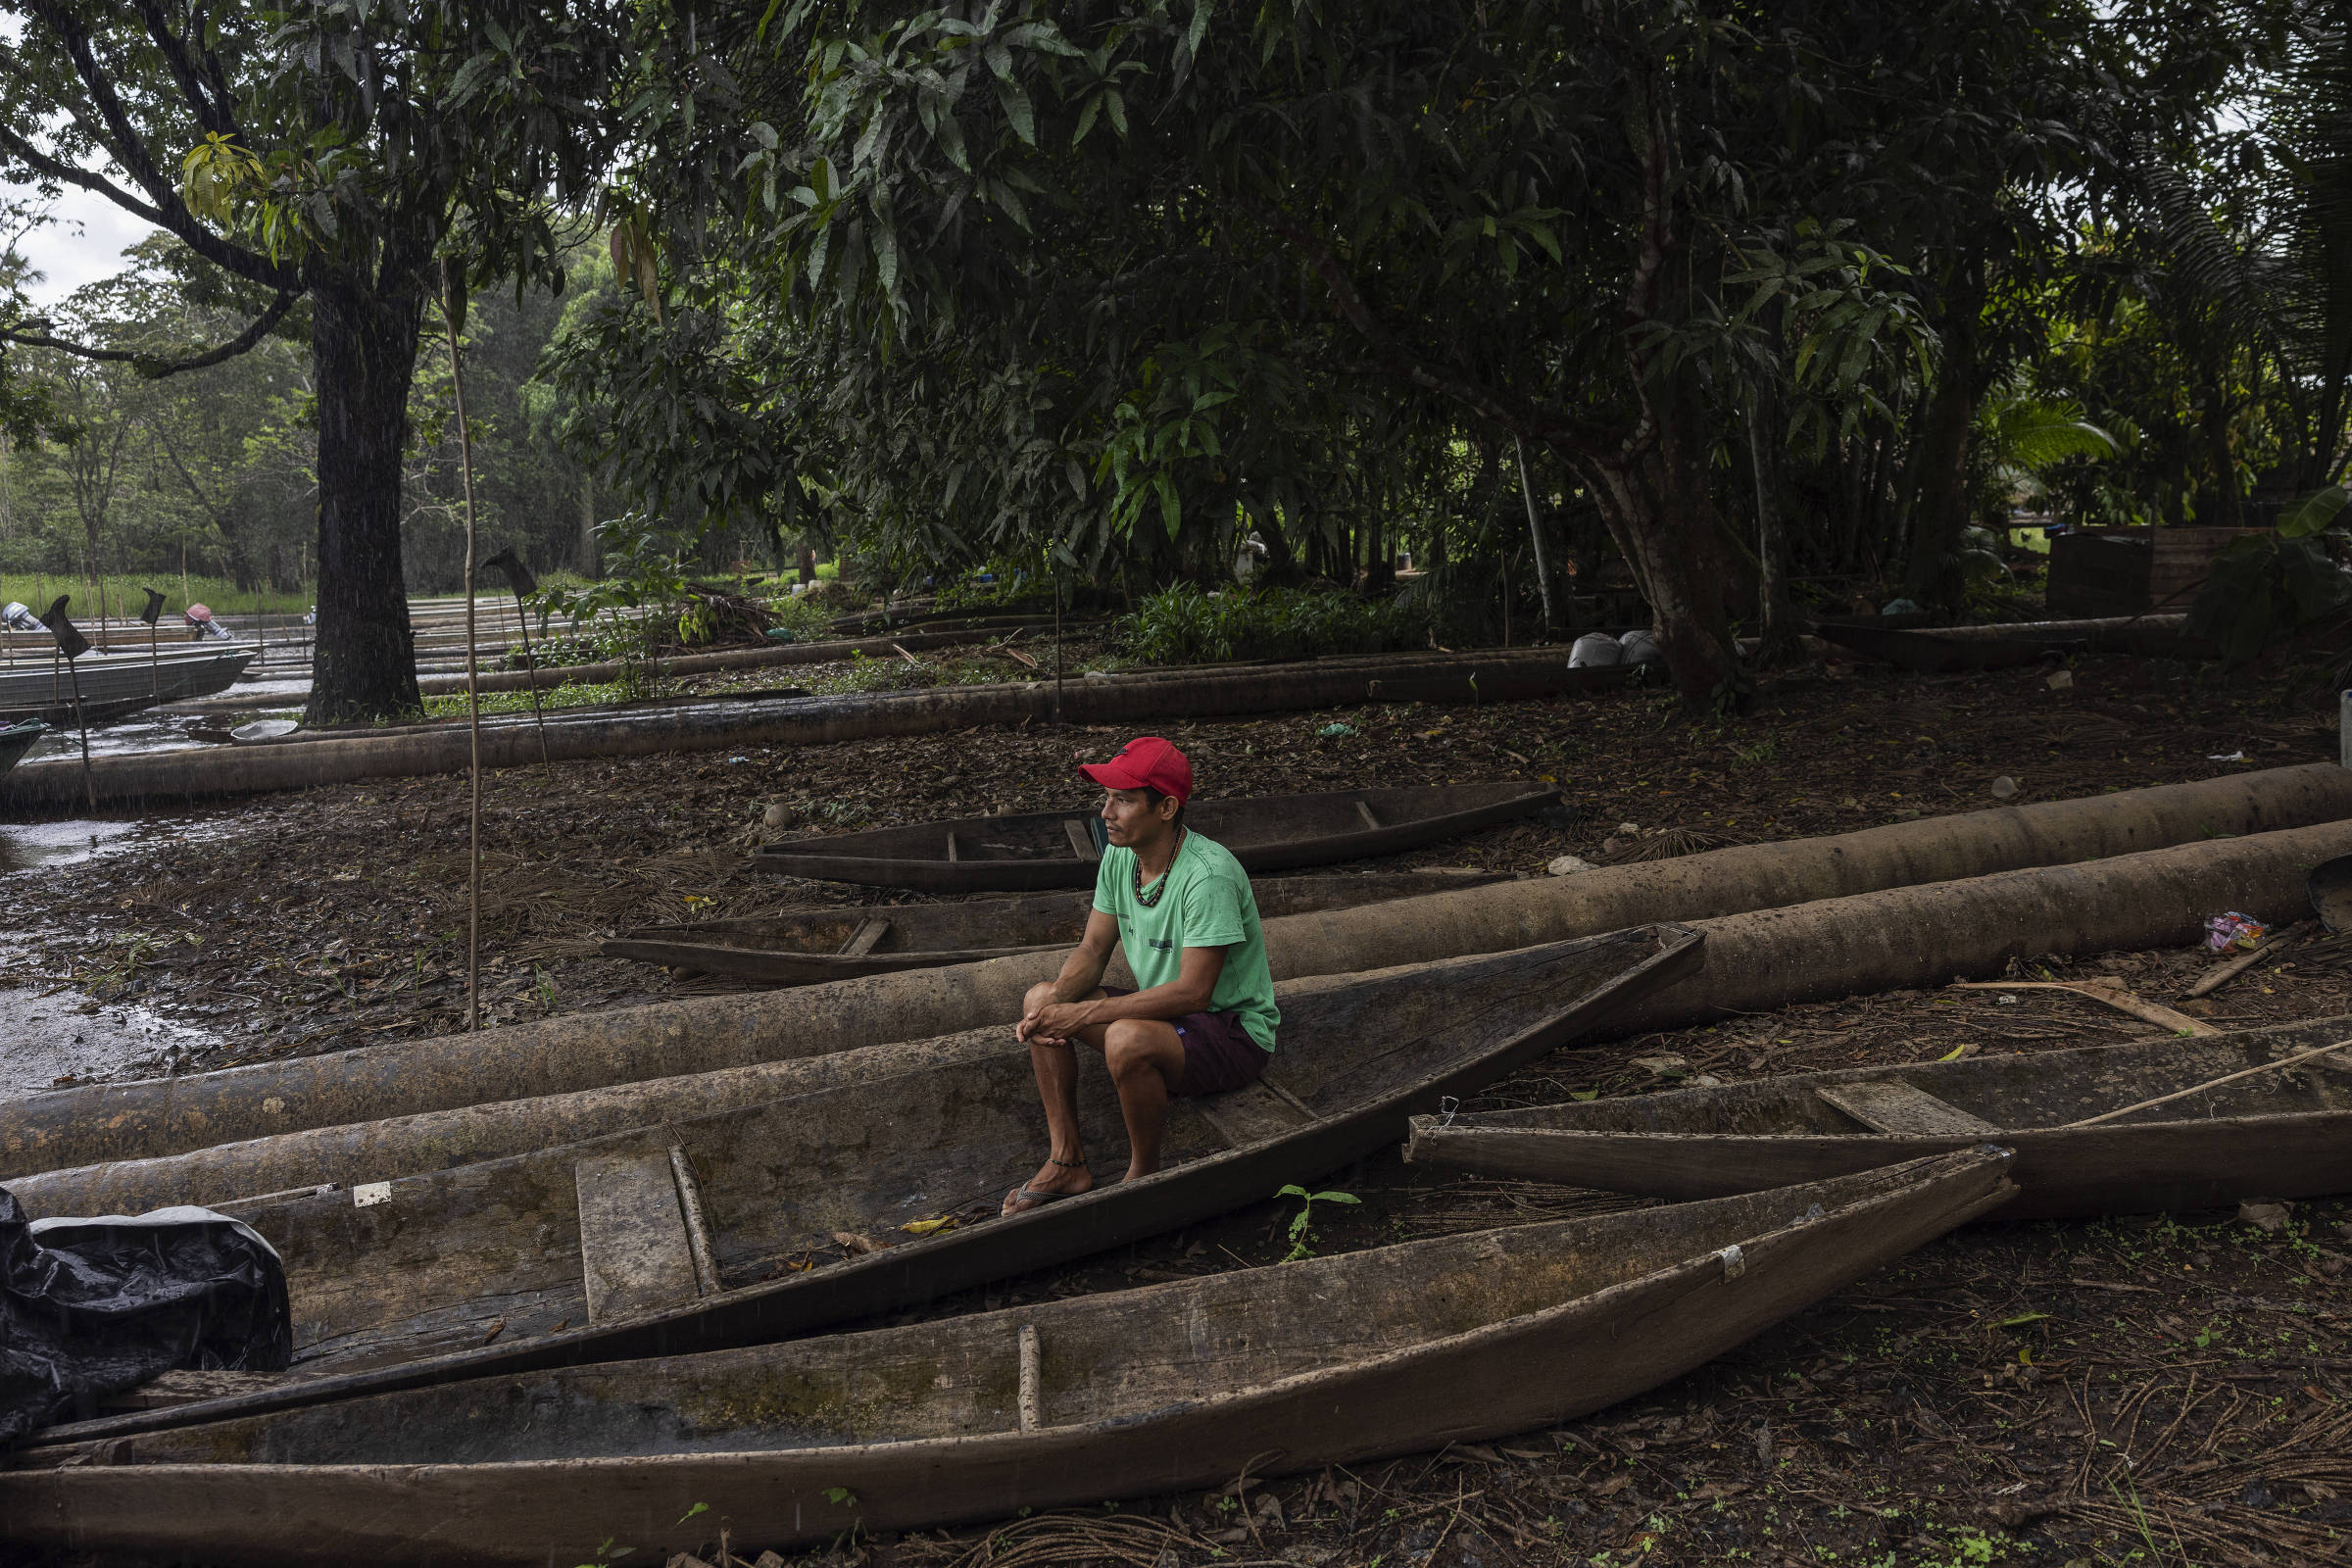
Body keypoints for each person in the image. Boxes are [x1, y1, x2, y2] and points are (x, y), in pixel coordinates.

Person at [1002, 736, 1280, 1214]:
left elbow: (1195, 993)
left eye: (1124, 800)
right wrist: (1055, 1004)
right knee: (1041, 998)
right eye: (1107, 798)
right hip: (1167, 1017)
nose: (1107, 812)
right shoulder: (1121, 855)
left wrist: (1086, 1011)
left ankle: (1144, 1175)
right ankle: (1067, 1162)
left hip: (1232, 1033)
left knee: (1126, 1039)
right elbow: (1093, 947)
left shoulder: (1207, 876)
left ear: (1167, 807)